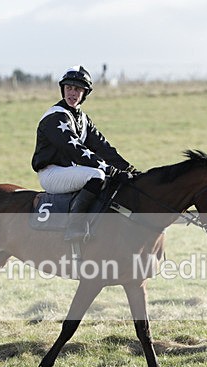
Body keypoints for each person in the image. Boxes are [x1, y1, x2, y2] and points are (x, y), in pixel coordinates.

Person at [31, 65, 138, 241]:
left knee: (107, 177)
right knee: (96, 175)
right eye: (69, 88)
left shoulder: (82, 118)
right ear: (63, 89)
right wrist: (111, 170)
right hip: (51, 174)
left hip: (68, 172)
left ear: (85, 93)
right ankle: (74, 227)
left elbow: (104, 148)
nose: (72, 93)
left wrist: (130, 170)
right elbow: (77, 152)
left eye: (77, 89)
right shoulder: (55, 117)